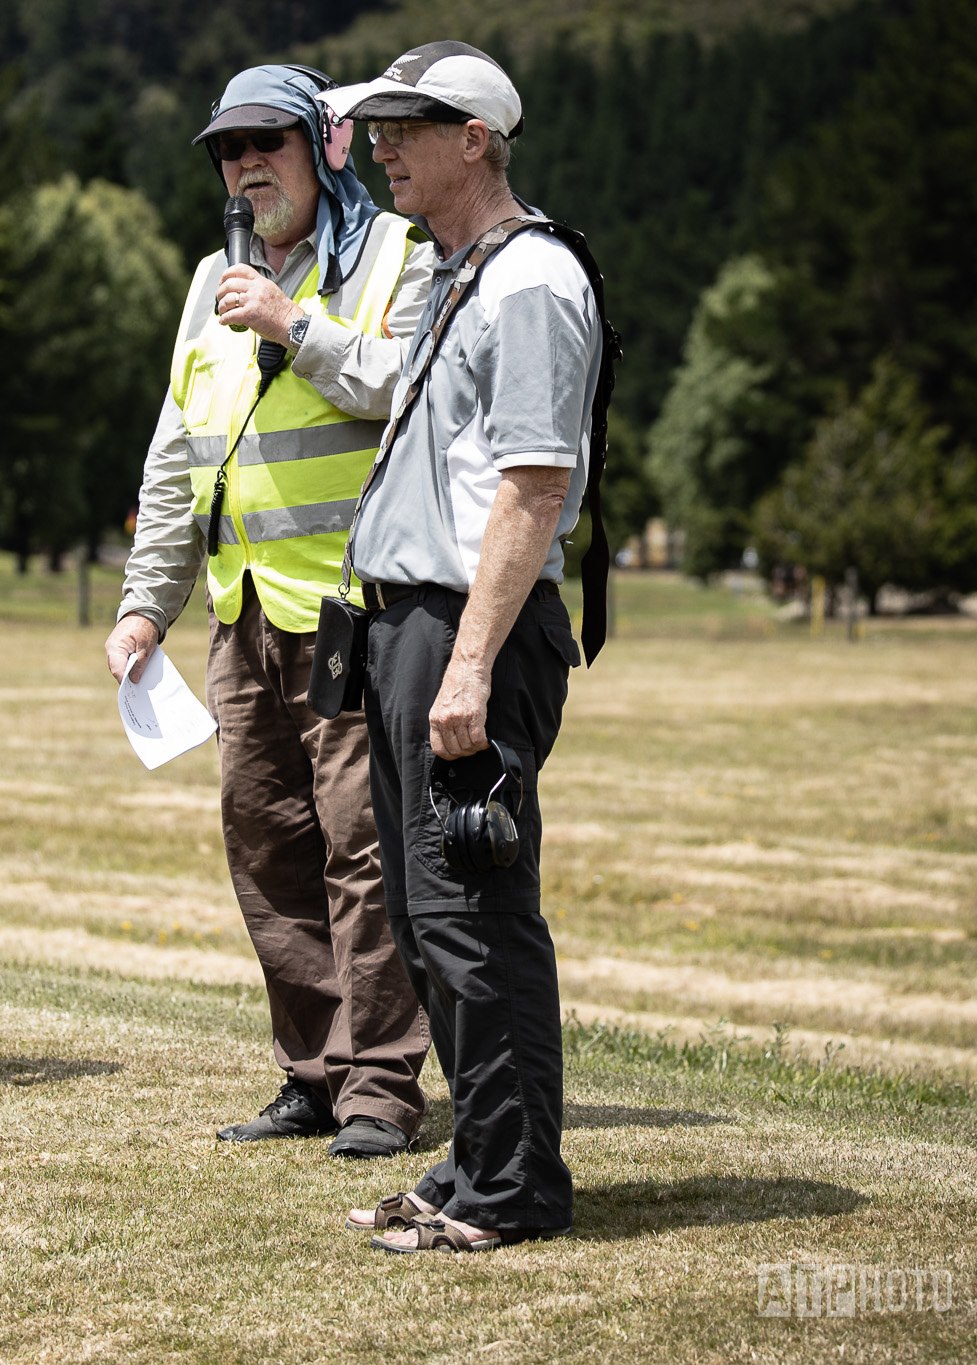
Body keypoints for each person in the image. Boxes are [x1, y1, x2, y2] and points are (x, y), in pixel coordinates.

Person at [103, 65, 435, 1159]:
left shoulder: (396, 254)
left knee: (363, 853)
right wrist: (144, 607)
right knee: (266, 848)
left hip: (355, 608)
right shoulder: (212, 279)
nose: (245, 166)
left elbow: (412, 387)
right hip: (239, 614)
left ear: (322, 148)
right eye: (227, 150)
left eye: (266, 143)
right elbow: (175, 459)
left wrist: (296, 325)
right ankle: (314, 1073)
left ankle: (379, 1086)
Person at [318, 42, 614, 1250]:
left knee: (471, 915)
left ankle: (512, 1188)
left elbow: (532, 487)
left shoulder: (526, 280)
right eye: (377, 127)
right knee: (426, 916)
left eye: (406, 127)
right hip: (414, 623)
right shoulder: (457, 272)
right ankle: (475, 1161)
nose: (380, 147)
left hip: (465, 628)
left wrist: (469, 664)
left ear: (476, 139)